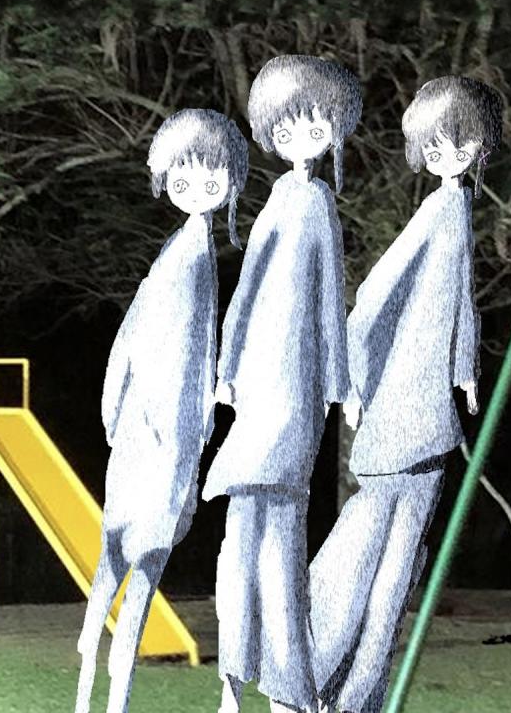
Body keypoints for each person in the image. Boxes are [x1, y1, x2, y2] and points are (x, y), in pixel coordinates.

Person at [308, 75, 503, 713]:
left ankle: (351, 694)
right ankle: (326, 680)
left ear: (479, 146)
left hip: (421, 417)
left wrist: (464, 367)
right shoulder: (438, 210)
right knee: (374, 569)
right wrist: (355, 384)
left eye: (461, 144)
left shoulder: (456, 207)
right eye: (437, 146)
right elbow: (370, 298)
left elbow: (458, 299)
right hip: (404, 419)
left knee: (393, 575)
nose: (450, 156)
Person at [75, 108, 247, 713]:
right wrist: (125, 402)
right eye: (183, 177)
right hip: (147, 438)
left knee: (132, 574)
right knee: (121, 572)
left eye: (211, 179)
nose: (196, 189)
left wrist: (189, 423)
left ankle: (107, 696)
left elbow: (193, 353)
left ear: (229, 184)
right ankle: (96, 692)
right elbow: (142, 335)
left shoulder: (195, 258)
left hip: (161, 440)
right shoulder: (181, 254)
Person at [205, 54, 360, 713]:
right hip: (265, 385)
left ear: (333, 133)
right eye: (290, 128)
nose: (302, 140)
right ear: (272, 132)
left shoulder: (318, 203)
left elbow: (329, 299)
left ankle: (281, 686)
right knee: (251, 539)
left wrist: (341, 383)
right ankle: (242, 682)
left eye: (315, 128)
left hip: (295, 389)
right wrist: (227, 370)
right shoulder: (278, 201)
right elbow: (246, 291)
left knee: (273, 541)